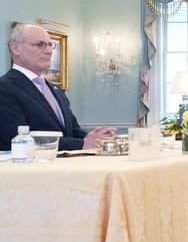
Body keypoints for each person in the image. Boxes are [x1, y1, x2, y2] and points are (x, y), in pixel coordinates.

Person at [0, 23, 116, 151]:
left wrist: (97, 139)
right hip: (30, 169)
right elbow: (18, 138)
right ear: (16, 48)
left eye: (50, 45)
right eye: (39, 44)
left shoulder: (56, 90)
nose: (49, 51)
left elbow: (72, 131)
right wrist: (82, 144)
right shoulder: (4, 87)